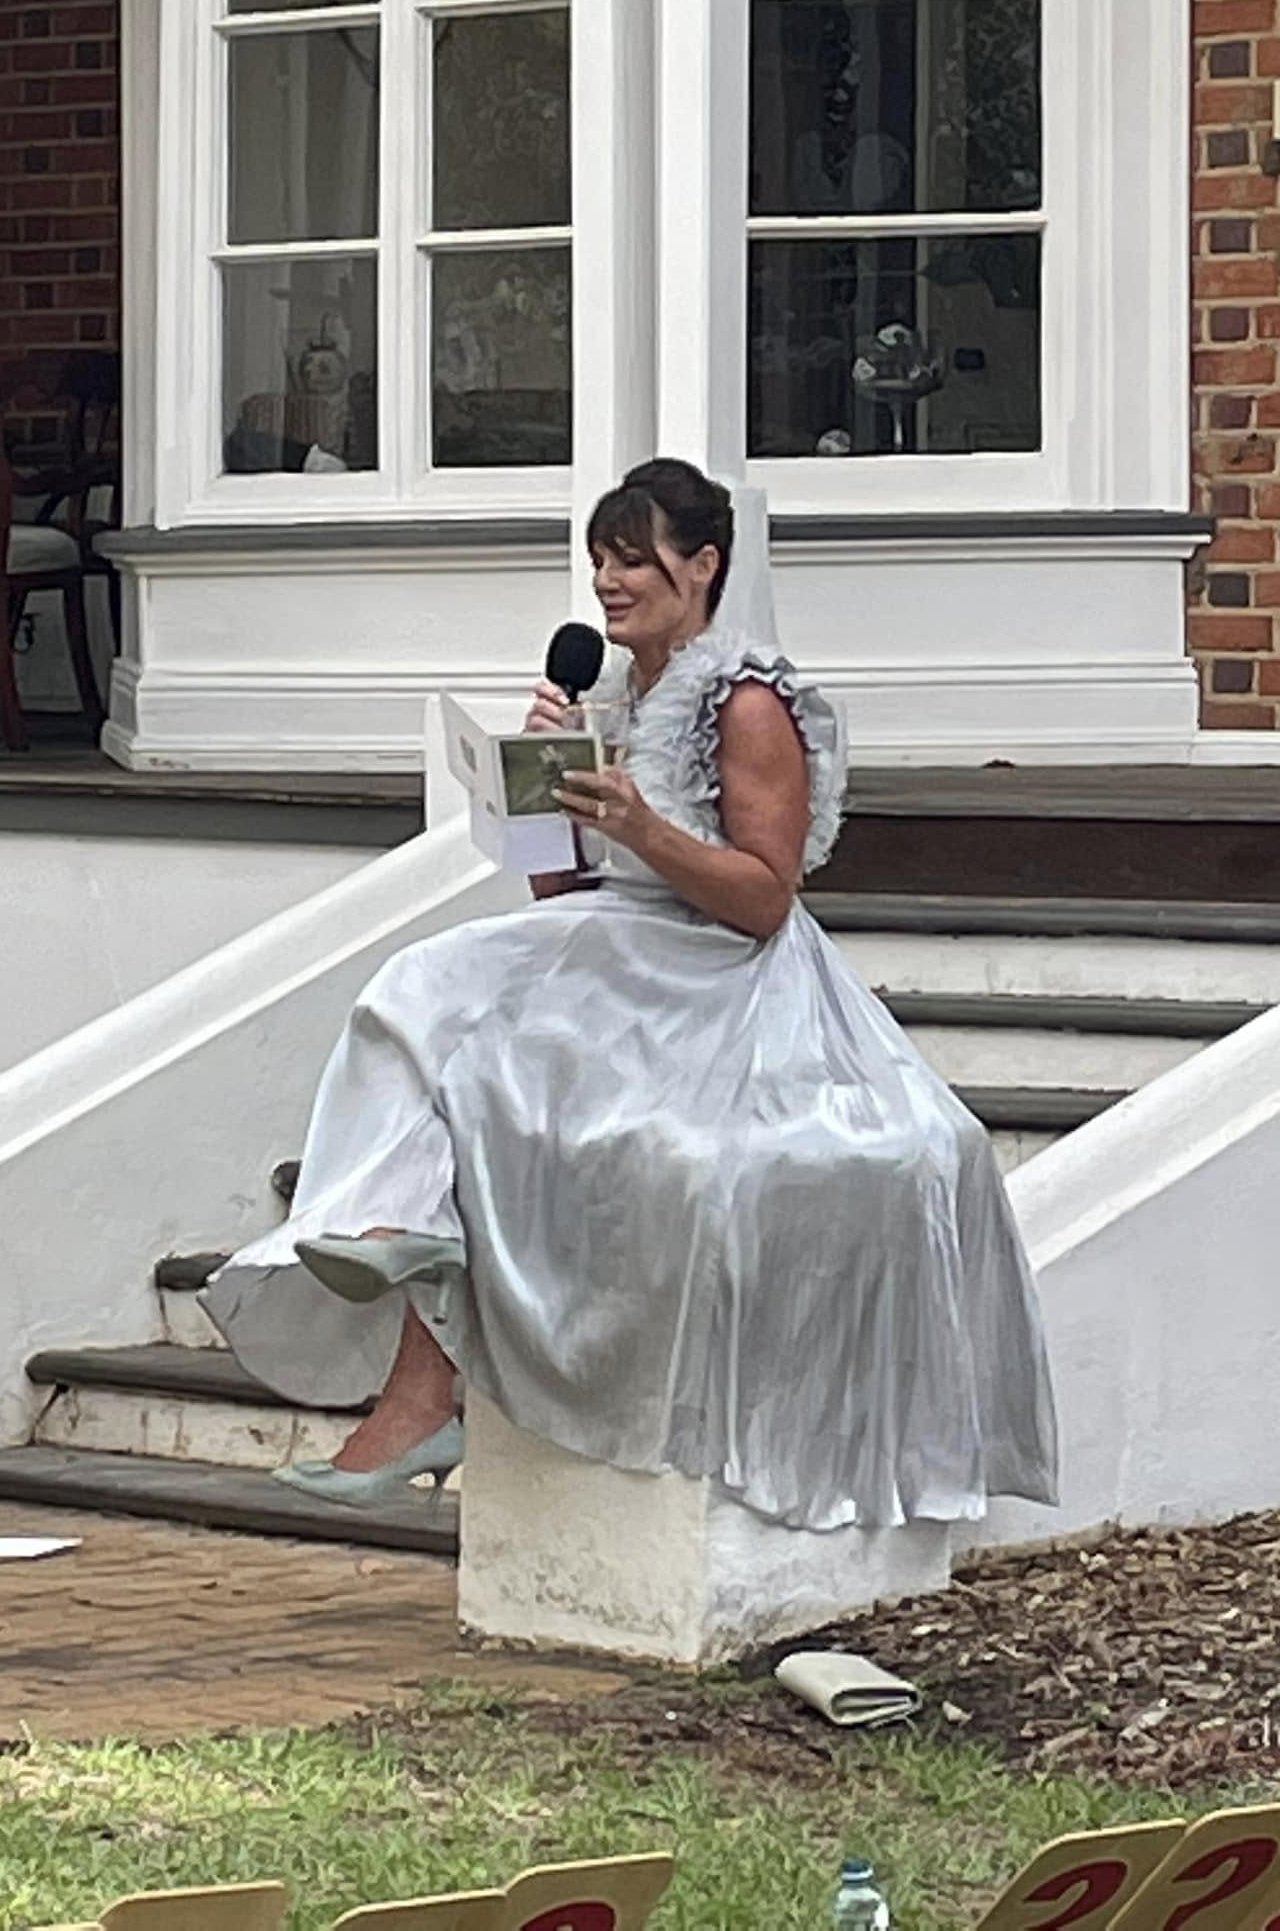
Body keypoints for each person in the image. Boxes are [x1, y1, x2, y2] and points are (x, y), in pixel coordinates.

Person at [204, 458, 1057, 1532]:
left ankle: (417, 1361)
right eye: (599, 561)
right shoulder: (612, 698)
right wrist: (535, 790)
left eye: (632, 560)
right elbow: (565, 888)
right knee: (432, 995)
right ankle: (401, 1264)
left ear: (702, 566)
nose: (608, 582)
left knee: (474, 1022)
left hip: (718, 975)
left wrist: (643, 826)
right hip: (619, 946)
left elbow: (766, 898)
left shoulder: (748, 700)